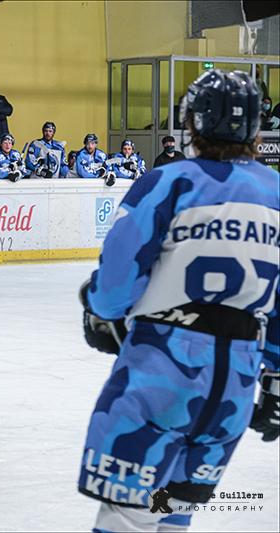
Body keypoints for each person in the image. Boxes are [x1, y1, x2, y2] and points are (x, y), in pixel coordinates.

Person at [77, 69, 279, 532]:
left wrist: (99, 308)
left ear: (195, 122)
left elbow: (115, 285)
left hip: (162, 368)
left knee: (128, 514)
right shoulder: (276, 192)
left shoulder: (169, 181)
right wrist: (276, 378)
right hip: (235, 383)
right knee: (171, 510)